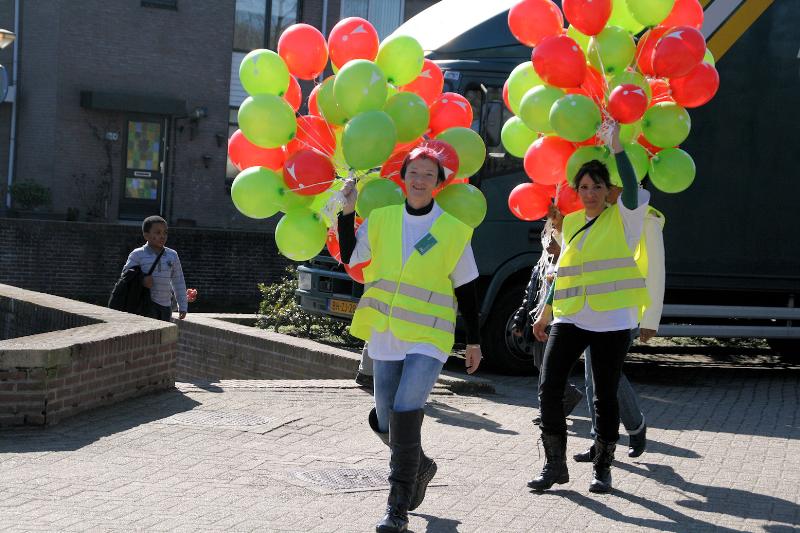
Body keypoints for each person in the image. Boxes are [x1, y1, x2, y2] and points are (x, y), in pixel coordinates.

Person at [337, 144, 483, 533]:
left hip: (429, 337)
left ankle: (396, 509)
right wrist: (348, 212)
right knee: (385, 417)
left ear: (439, 183)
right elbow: (350, 257)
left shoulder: (452, 229)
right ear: (403, 177)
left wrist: (474, 340)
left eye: (428, 175)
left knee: (405, 407)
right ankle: (420, 465)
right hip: (386, 334)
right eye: (414, 173)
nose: (420, 181)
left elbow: (468, 289)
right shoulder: (381, 219)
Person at [529, 122, 650, 494]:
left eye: (597, 186)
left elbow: (631, 185)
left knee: (605, 394)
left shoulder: (626, 214)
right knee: (549, 387)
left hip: (612, 319)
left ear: (609, 190)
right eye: (584, 187)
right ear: (576, 191)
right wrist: (546, 310)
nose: (591, 193)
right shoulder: (574, 221)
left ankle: (602, 467)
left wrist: (616, 147)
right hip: (571, 315)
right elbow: (562, 268)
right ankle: (554, 465)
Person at [573, 189, 666, 462]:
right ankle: (599, 439)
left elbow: (657, 271)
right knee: (594, 377)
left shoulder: (647, 220)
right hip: (595, 309)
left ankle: (634, 427)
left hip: (625, 311)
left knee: (606, 375)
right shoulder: (602, 217)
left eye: (611, 186)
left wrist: (651, 319)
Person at [511, 207, 583, 424]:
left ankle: (554, 407)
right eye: (548, 241)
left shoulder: (567, 267)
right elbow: (530, 294)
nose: (549, 244)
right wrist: (520, 318)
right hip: (539, 321)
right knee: (540, 365)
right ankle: (563, 399)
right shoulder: (542, 265)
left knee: (548, 367)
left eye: (554, 241)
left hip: (557, 322)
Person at [122, 215, 189, 322]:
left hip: (166, 306)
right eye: (158, 233)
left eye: (165, 232)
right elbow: (126, 276)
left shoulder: (172, 255)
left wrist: (183, 306)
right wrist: (142, 279)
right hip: (146, 304)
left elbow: (178, 281)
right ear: (146, 235)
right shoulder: (137, 254)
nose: (162, 236)